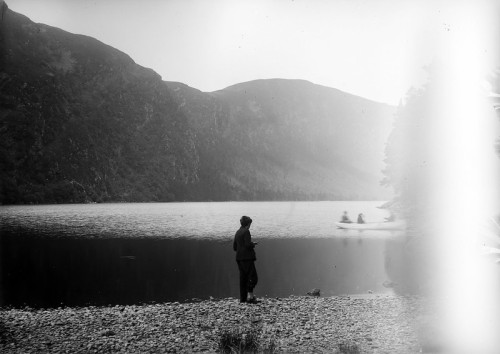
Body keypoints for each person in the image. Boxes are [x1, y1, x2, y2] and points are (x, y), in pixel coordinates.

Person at [233, 216, 259, 303]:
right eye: (250, 224)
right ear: (248, 224)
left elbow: (235, 247)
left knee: (243, 278)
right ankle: (251, 297)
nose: (250, 226)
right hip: (247, 258)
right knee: (253, 277)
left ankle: (243, 298)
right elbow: (248, 245)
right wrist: (253, 244)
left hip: (239, 258)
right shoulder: (246, 231)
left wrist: (244, 246)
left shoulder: (238, 232)